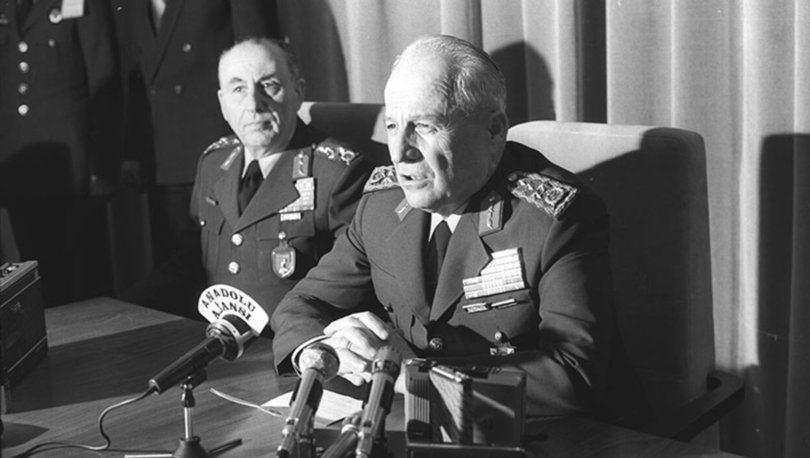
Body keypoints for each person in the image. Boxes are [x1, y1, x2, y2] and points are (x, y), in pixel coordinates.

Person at [271, 35, 621, 418]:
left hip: (538, 434)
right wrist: (323, 350)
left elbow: (573, 376)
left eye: (424, 126)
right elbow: (301, 304)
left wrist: (411, 376)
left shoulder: (552, 219)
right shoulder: (381, 205)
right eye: (392, 126)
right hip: (415, 423)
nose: (400, 152)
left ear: (494, 131)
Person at [123, 37, 374, 325]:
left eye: (269, 85)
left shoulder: (337, 172)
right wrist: (125, 307)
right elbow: (191, 259)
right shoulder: (214, 163)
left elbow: (350, 279)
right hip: (215, 336)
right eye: (238, 89)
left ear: (297, 92)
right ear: (223, 104)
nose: (254, 104)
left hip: (292, 342)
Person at [116, 0, 279, 271]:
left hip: (221, 151)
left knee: (228, 265)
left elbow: (257, 57)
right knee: (179, 268)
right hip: (164, 156)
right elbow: (139, 74)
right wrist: (133, 150)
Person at [0, 0, 119, 306]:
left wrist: (103, 166)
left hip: (74, 168)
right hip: (19, 163)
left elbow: (103, 77)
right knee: (35, 276)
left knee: (82, 276)